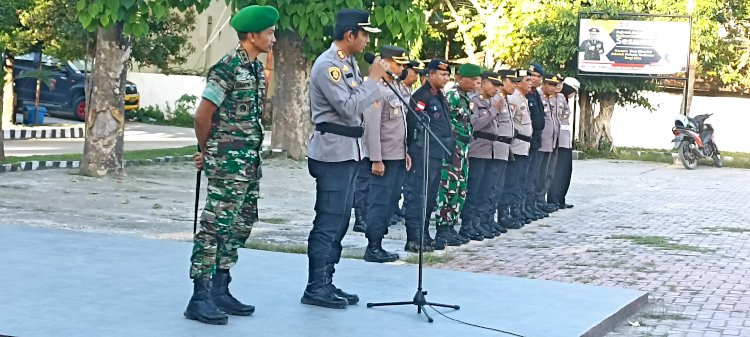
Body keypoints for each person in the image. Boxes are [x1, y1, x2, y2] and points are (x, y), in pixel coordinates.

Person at [185, 5, 278, 325]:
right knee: (215, 225)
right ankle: (199, 295)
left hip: (248, 163)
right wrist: (206, 150)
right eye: (269, 33)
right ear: (252, 36)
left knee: (241, 222)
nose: (273, 38)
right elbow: (202, 115)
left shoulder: (253, 67)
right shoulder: (226, 68)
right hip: (227, 162)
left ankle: (221, 288)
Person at [303, 8, 386, 309]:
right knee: (329, 219)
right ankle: (315, 286)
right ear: (350, 35)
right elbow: (349, 108)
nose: (366, 42)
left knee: (341, 220)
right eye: (364, 35)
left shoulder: (348, 62)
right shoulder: (329, 66)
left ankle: (327, 280)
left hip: (350, 152)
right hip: (332, 154)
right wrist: (373, 80)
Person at [362, 45, 412, 262]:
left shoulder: (398, 88)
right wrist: (376, 159)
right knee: (379, 202)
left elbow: (402, 125)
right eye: (397, 63)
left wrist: (406, 152)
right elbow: (372, 127)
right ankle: (373, 245)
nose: (401, 68)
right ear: (384, 62)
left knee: (391, 202)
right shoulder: (376, 89)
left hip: (398, 155)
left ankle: (379, 243)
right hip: (383, 158)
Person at [402, 58, 453, 253]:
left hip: (436, 153)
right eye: (442, 74)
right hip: (422, 153)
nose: (446, 78)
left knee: (430, 196)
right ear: (430, 74)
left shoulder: (439, 95)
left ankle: (424, 233)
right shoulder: (422, 96)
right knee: (418, 195)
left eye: (448, 74)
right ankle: (413, 237)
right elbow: (413, 124)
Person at [460, 71, 513, 243]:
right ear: (483, 83)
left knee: (486, 189)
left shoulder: (492, 101)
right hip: (478, 150)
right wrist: (492, 111)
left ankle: (480, 222)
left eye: (499, 85)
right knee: (474, 190)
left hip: (491, 151)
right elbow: (475, 125)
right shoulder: (474, 101)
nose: (497, 88)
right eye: (494, 84)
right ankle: (467, 224)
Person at [434, 63, 482, 249]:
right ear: (461, 79)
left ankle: (450, 226)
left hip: (463, 147)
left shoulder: (464, 97)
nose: (476, 84)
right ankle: (442, 228)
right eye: (473, 80)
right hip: (453, 148)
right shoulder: (452, 96)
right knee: (448, 188)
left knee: (460, 188)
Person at [502, 69, 534, 229]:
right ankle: (505, 213)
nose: (530, 82)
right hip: (516, 146)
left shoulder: (523, 98)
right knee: (511, 182)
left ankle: (516, 210)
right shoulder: (513, 98)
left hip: (524, 146)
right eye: (527, 80)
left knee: (519, 182)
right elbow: (510, 123)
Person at [495, 69, 525, 229]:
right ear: (501, 80)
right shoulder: (496, 100)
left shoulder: (505, 99)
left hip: (506, 148)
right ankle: (494, 217)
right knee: (495, 185)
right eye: (511, 81)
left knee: (504, 184)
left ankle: (500, 216)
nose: (515, 85)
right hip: (495, 148)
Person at [523, 63, 553, 220]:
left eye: (537, 77)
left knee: (533, 175)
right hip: (525, 141)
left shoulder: (535, 95)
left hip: (536, 140)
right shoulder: (524, 94)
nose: (534, 79)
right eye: (531, 76)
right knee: (525, 176)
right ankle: (522, 207)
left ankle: (530, 204)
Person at [547, 77, 579, 209]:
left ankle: (560, 199)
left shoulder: (562, 100)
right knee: (558, 172)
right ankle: (554, 199)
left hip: (565, 141)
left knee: (565, 172)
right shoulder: (555, 99)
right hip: (558, 142)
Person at [534, 74, 563, 211]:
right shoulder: (538, 96)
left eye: (555, 85)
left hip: (553, 141)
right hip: (542, 142)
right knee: (538, 173)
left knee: (547, 173)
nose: (553, 87)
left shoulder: (552, 98)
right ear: (543, 84)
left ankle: (541, 199)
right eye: (550, 84)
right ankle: (534, 202)